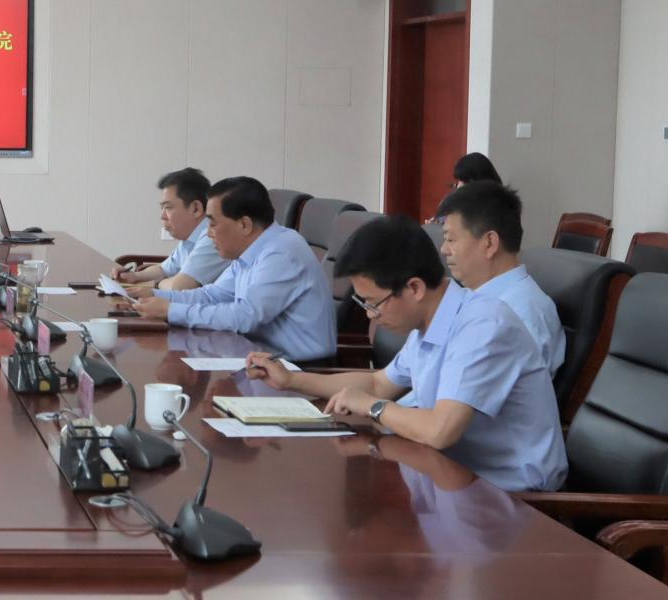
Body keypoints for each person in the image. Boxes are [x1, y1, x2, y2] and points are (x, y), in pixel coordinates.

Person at [244, 214, 567, 493]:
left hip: (514, 497)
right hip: (451, 475)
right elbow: (379, 384)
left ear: (414, 288)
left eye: (374, 303)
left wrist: (372, 407)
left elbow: (440, 430)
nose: (370, 315)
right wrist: (292, 380)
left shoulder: (483, 325)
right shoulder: (432, 322)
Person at [127, 176, 336, 361]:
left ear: (244, 225)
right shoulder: (249, 250)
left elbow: (245, 317)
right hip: (257, 356)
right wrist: (155, 296)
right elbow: (213, 295)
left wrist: (172, 310)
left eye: (212, 224)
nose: (208, 233)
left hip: (299, 370)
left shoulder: (281, 252)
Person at [437, 181, 565, 375]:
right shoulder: (466, 296)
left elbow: (475, 391)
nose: (444, 249)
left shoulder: (522, 315)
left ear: (490, 243)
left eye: (451, 239)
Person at [115, 167, 231, 293]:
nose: (162, 216)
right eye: (162, 208)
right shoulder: (189, 239)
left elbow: (178, 287)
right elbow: (164, 269)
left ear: (195, 208)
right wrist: (134, 276)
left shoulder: (212, 236)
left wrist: (155, 284)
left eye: (168, 207)